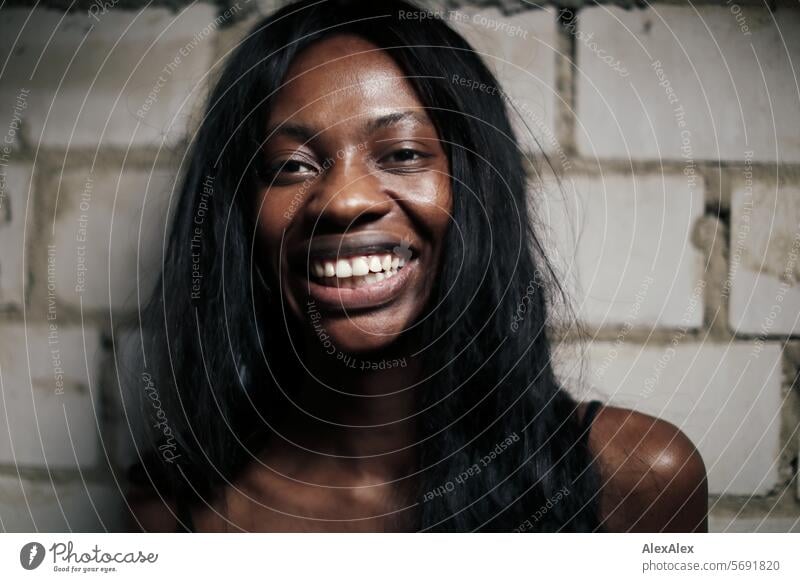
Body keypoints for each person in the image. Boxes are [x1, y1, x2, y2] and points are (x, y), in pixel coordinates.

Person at [126, 0, 707, 532]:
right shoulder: (172, 512)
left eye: (402, 154)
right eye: (291, 166)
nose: (345, 201)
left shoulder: (640, 479)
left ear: (473, 186)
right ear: (241, 216)